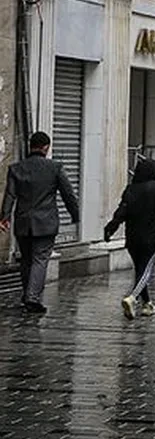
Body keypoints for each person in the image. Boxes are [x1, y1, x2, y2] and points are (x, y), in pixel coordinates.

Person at [0, 131, 79, 314]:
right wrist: (75, 215)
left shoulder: (16, 168)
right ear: (46, 147)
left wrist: (5, 217)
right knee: (40, 259)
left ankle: (28, 293)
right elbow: (68, 195)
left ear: (31, 146)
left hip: (23, 222)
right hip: (45, 223)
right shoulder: (55, 168)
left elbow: (10, 195)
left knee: (26, 260)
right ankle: (32, 297)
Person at [105, 157, 155, 319]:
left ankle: (147, 304)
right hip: (151, 237)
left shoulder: (131, 189)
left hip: (133, 238)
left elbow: (121, 212)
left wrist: (110, 229)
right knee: (146, 271)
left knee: (140, 270)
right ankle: (132, 297)